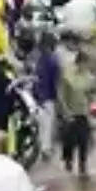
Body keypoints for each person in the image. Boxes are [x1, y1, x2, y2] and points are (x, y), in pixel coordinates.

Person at [57, 47, 95, 176]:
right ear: (78, 62)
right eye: (83, 63)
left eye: (87, 64)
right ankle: (68, 159)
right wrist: (65, 111)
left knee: (83, 140)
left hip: (83, 112)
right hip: (70, 112)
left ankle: (83, 165)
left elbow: (90, 94)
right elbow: (61, 94)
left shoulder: (89, 78)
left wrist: (93, 106)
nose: (85, 66)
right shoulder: (67, 74)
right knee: (69, 140)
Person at [32, 32, 60, 161]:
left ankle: (40, 147)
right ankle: (45, 149)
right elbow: (55, 82)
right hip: (48, 97)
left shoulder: (41, 59)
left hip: (38, 96)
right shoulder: (52, 60)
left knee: (41, 124)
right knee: (47, 125)